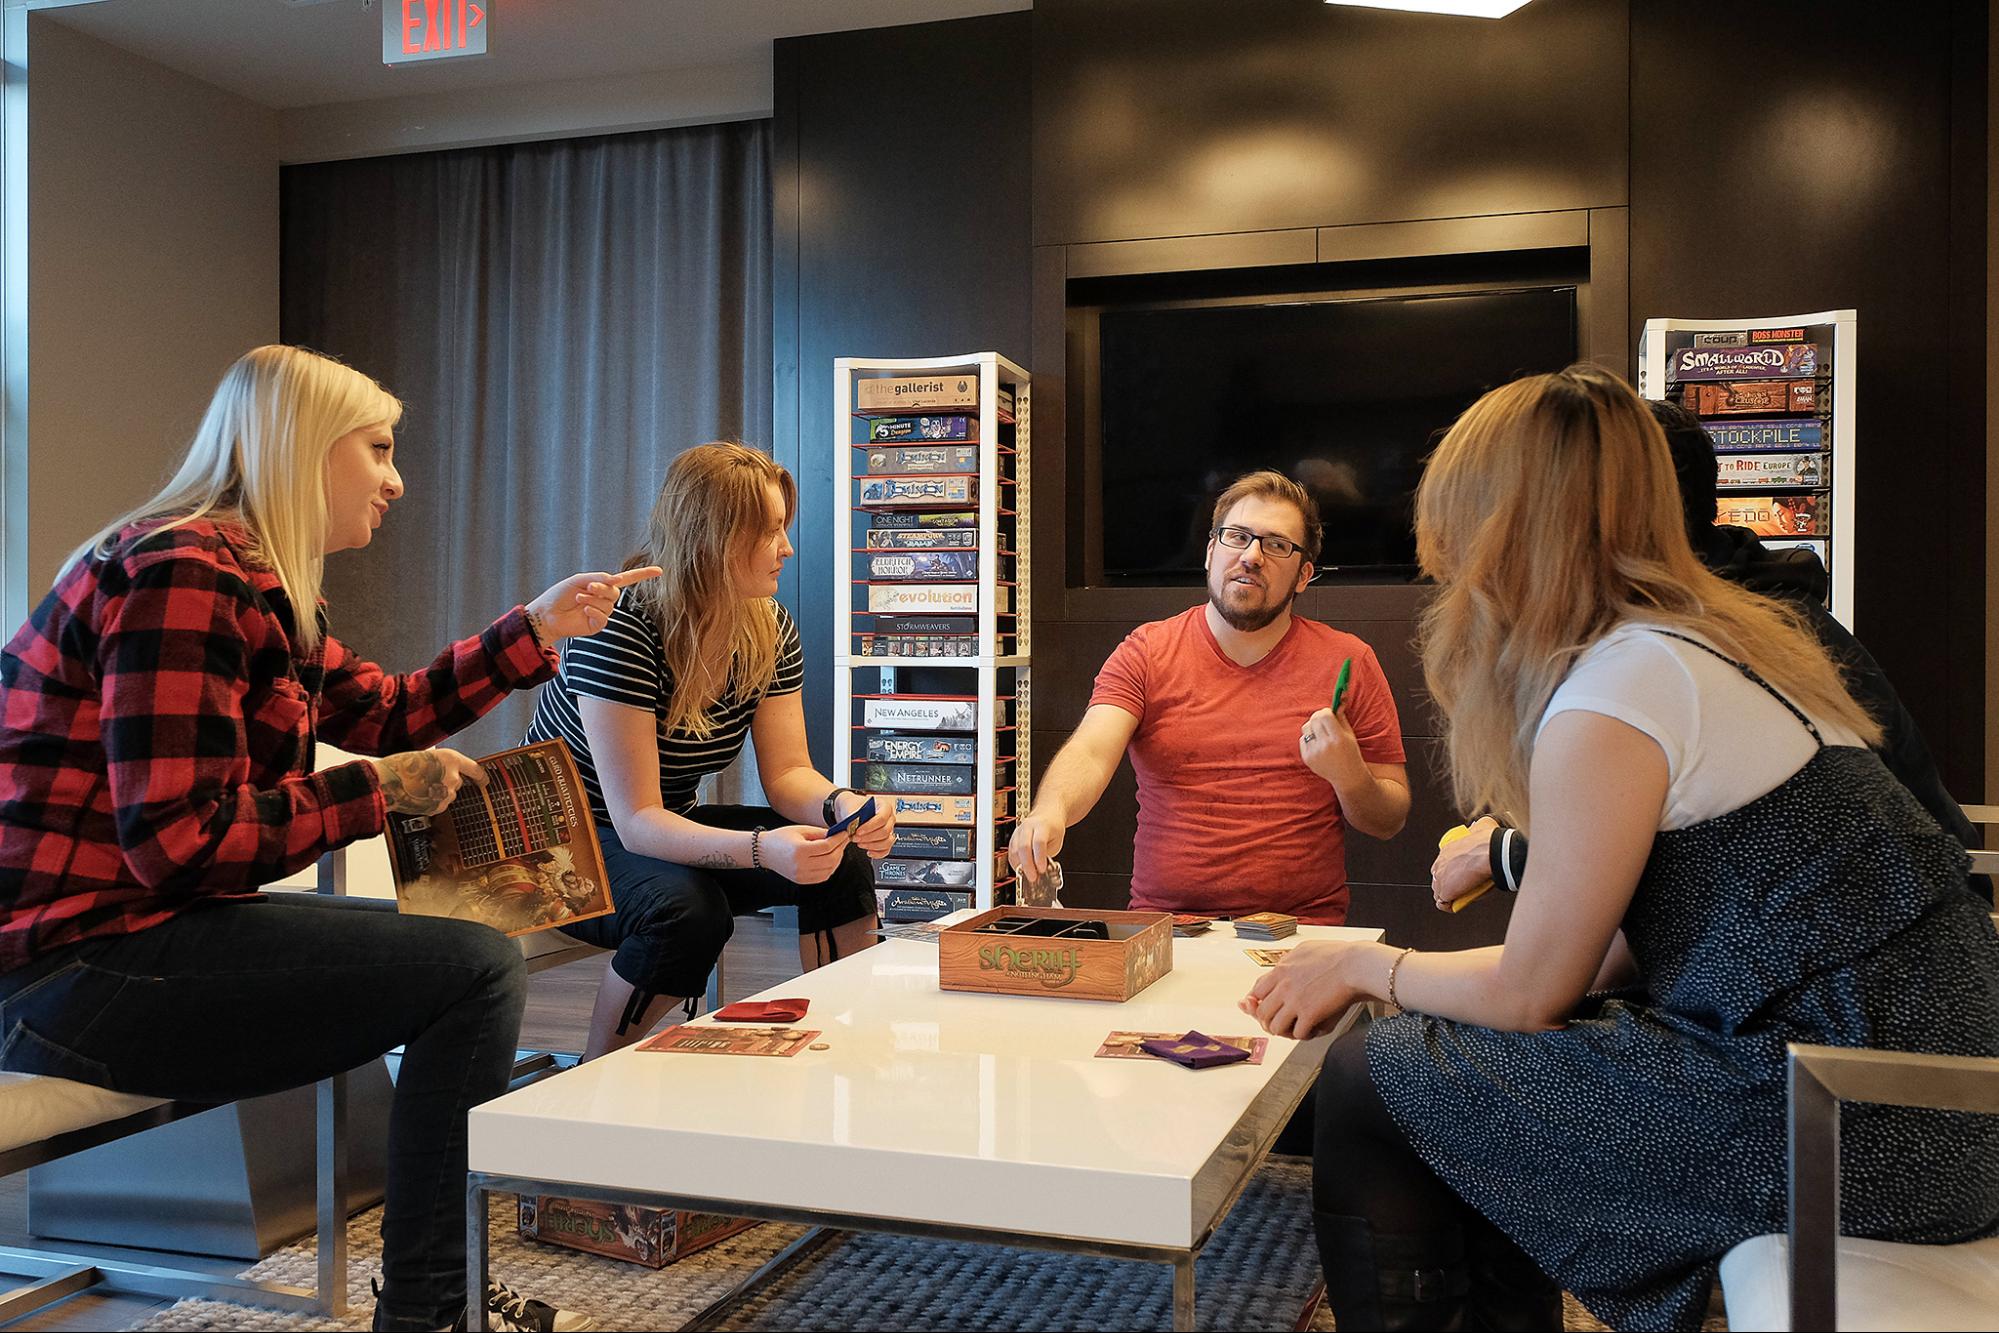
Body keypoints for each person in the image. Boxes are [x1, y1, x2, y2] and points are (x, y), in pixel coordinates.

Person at [1244, 365, 1999, 1330]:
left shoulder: (1623, 685)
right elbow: (1594, 962)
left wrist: (1363, 964)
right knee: (1458, 1073)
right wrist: (1393, 974)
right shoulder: (1719, 643)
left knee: (1367, 1079)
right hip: (1929, 1099)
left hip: (1851, 1117)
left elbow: (1531, 992)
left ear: (1502, 529)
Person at [0, 345, 657, 1333]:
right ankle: (432, 1309)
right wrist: (375, 791)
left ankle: (433, 1296)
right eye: (379, 448)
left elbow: (389, 711)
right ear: (302, 447)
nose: (396, 480)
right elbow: (178, 842)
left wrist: (534, 626)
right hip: (72, 973)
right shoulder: (183, 572)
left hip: (130, 942)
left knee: (464, 965)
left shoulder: (250, 580)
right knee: (472, 969)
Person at [1432, 396, 1986, 910]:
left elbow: (1637, 856)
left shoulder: (1684, 648)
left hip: (1881, 931)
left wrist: (1506, 854)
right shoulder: (1743, 611)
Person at [525, 442, 894, 1060]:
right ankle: (594, 1078)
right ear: (714, 538)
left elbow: (789, 774)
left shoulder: (769, 625)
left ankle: (843, 1050)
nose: (786, 548)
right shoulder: (620, 626)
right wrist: (763, 848)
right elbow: (637, 821)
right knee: (686, 910)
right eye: (769, 531)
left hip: (654, 828)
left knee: (840, 860)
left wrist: (842, 806)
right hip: (557, 843)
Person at [1008, 469, 1409, 924]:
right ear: (1210, 551)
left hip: (1301, 933)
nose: (1252, 556)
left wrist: (1349, 775)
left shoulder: (1348, 661)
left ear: (1304, 576)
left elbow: (1388, 819)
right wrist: (1051, 810)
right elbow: (1091, 749)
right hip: (1166, 928)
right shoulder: (1147, 650)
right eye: (1237, 536)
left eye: (1277, 545)